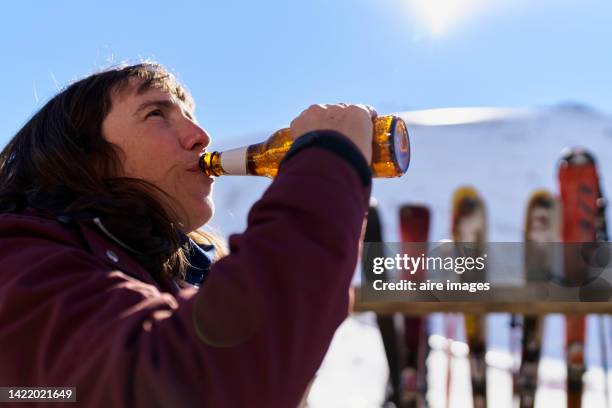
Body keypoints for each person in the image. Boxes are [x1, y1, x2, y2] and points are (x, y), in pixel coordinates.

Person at [0, 62, 374, 407]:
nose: (201, 136)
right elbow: (186, 383)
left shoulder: (181, 275)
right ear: (86, 157)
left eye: (191, 116)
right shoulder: (18, 260)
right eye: (156, 113)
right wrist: (326, 166)